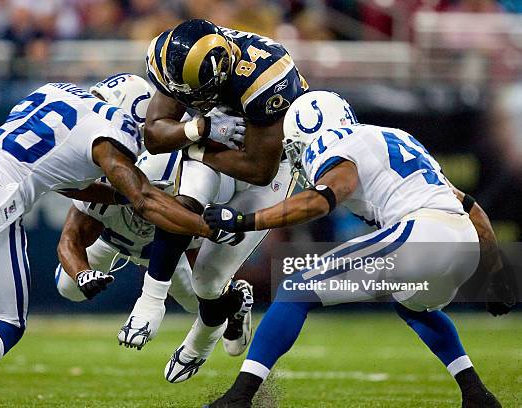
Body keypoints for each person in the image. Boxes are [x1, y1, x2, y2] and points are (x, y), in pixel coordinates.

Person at [0, 73, 235, 408]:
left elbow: (61, 179)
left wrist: (117, 197)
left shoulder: (53, 90)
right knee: (8, 321)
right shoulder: (114, 126)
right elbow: (145, 199)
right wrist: (208, 226)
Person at [204, 91, 504, 407]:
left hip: (421, 235)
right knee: (412, 303)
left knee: (296, 288)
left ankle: (238, 398)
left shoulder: (333, 142)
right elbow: (473, 210)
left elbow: (326, 195)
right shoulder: (395, 137)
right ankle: (475, 394)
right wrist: (497, 276)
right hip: (463, 242)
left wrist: (245, 220)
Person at [119, 18, 309, 383]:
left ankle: (206, 336)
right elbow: (156, 136)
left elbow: (258, 169)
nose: (185, 100)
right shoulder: (177, 56)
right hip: (214, 143)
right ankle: (150, 300)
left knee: (207, 281)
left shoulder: (267, 73)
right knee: (183, 200)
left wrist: (195, 148)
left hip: (270, 167)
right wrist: (199, 128)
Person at [54, 149, 248, 349]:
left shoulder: (191, 200)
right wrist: (82, 273)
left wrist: (221, 292)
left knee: (198, 303)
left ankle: (236, 301)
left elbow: (198, 260)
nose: (151, 197)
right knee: (68, 288)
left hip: (163, 257)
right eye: (148, 189)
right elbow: (69, 240)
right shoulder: (105, 189)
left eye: (161, 192)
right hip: (108, 241)